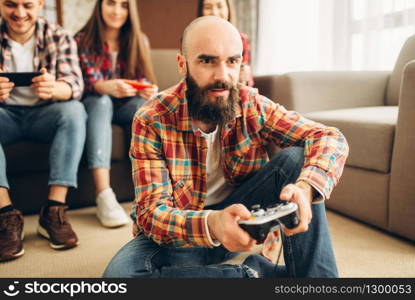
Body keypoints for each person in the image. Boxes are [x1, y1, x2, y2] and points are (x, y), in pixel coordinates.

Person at [103, 16, 349, 278]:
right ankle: (253, 274)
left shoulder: (251, 103)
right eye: (207, 60)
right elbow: (151, 214)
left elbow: (329, 137)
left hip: (245, 223)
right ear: (182, 64)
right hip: (184, 234)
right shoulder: (151, 118)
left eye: (232, 61)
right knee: (120, 277)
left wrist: (305, 188)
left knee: (295, 159)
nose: (222, 76)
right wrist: (213, 223)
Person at [0, 0, 86, 262]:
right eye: (10, 4)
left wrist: (55, 88)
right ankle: (5, 214)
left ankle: (54, 210)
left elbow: (75, 86)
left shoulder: (59, 36)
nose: (20, 13)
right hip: (5, 117)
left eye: (28, 5)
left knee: (74, 111)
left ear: (40, 4)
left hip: (45, 115)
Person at [75, 0, 158, 228]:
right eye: (111, 3)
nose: (117, 11)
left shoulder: (139, 39)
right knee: (101, 102)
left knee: (144, 110)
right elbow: (79, 84)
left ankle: (152, 194)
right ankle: (104, 195)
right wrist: (107, 86)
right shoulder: (81, 40)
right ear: (100, 5)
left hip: (124, 105)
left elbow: (145, 77)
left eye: (123, 5)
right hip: (94, 105)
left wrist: (145, 88)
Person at [198, 0, 254, 86]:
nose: (214, 12)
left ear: (228, 9)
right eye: (208, 7)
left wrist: (244, 77)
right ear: (201, 11)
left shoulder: (241, 39)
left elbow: (247, 81)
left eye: (220, 6)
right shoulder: (195, 40)